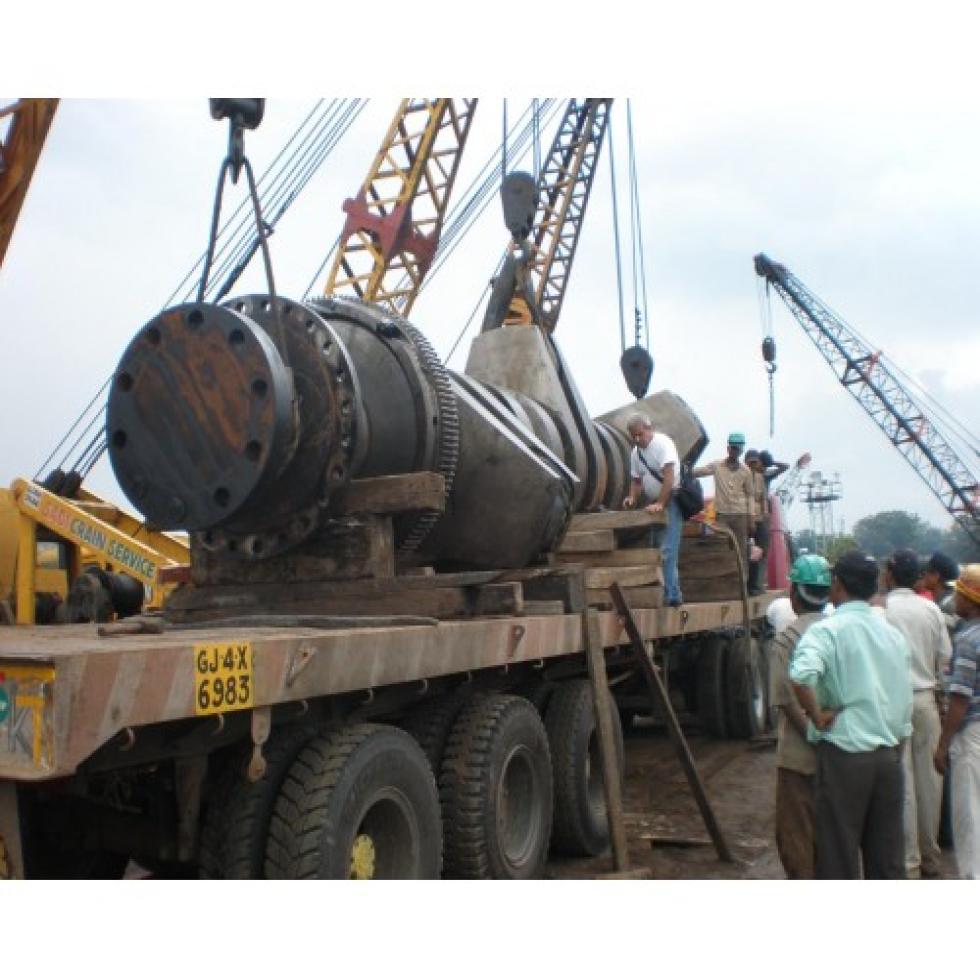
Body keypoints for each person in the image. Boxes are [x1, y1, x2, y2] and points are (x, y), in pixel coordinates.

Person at [789, 550, 913, 879]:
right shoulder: (892, 634)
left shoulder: (827, 631)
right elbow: (904, 700)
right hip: (888, 757)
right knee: (887, 861)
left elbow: (801, 676)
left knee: (838, 857)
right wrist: (896, 748)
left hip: (844, 756)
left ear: (837, 584)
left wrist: (817, 717)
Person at [884, 549, 952, 878]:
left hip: (894, 702)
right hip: (927, 699)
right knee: (930, 783)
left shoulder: (883, 611)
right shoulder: (931, 609)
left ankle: (909, 862)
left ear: (890, 574)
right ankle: (930, 857)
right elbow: (945, 658)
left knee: (904, 783)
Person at [769, 554, 831, 878]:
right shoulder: (838, 633)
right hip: (838, 753)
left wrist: (813, 736)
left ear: (794, 594)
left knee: (796, 841)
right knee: (831, 841)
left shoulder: (787, 639)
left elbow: (787, 701)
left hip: (798, 758)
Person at [934, 564, 980, 879]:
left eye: (960, 594)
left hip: (971, 736)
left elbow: (960, 700)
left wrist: (943, 743)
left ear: (971, 600)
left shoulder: (967, 641)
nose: (955, 600)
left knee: (969, 815)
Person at [622, 413, 683, 607]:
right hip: (654, 503)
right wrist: (632, 497)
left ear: (649, 428)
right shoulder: (636, 453)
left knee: (668, 549)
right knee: (656, 548)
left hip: (671, 500)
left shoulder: (663, 444)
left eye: (640, 434)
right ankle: (663, 592)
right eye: (634, 436)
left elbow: (669, 476)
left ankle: (672, 596)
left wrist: (661, 503)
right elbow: (636, 480)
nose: (637, 439)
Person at [693, 432, 756, 589]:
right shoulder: (717, 466)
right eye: (733, 448)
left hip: (740, 515)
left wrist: (751, 519)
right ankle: (725, 582)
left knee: (741, 550)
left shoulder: (746, 471)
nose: (735, 451)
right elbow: (699, 472)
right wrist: (681, 468)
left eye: (738, 448)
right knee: (723, 548)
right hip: (722, 515)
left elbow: (750, 495)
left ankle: (742, 584)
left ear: (741, 450)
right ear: (728, 448)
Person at [745, 449, 770, 595]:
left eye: (755, 462)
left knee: (761, 550)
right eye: (750, 462)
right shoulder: (741, 475)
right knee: (747, 551)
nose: (753, 465)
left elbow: (764, 498)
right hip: (745, 517)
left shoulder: (760, 478)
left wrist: (765, 512)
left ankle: (757, 585)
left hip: (759, 518)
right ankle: (748, 585)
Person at [920, 552, 961, 635]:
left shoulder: (947, 607)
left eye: (926, 572)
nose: (923, 575)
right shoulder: (949, 601)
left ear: (936, 576)